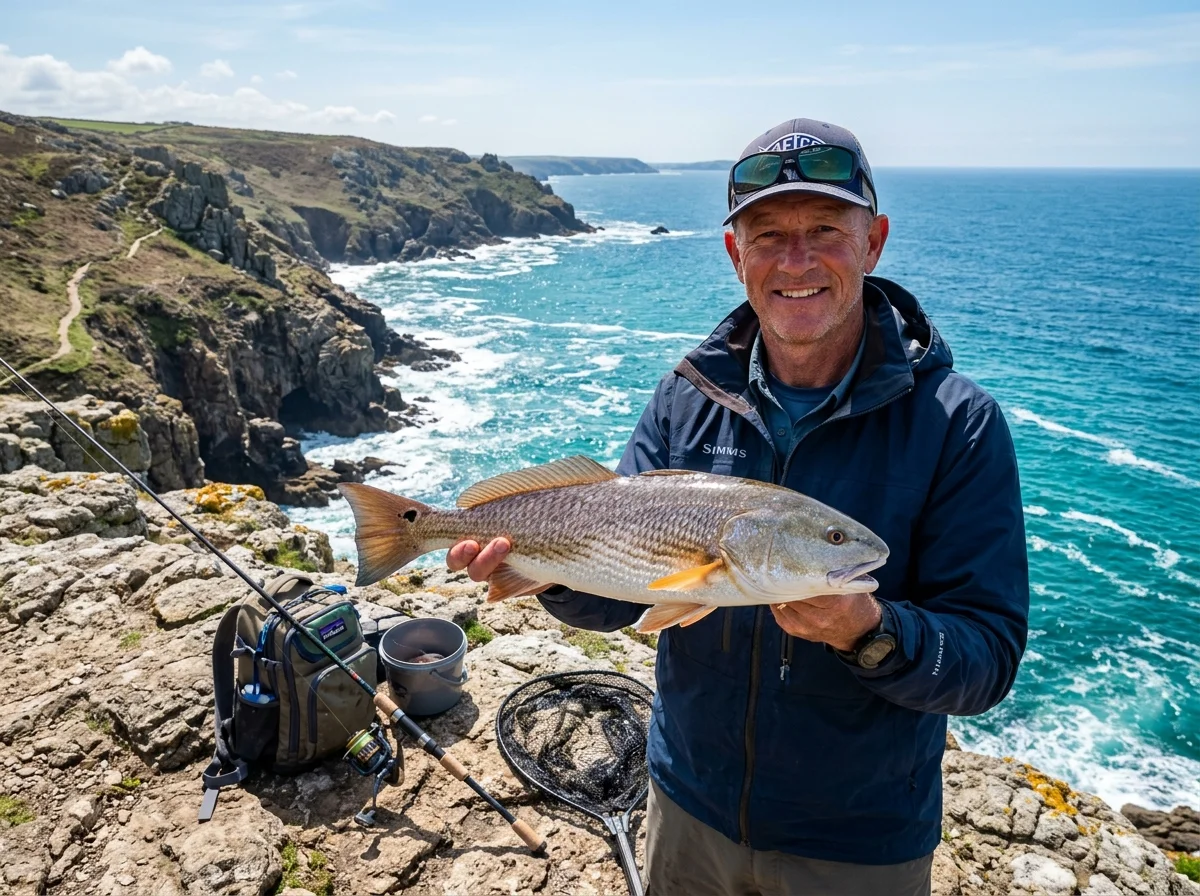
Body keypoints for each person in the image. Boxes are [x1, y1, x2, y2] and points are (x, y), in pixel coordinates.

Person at [448, 118, 1029, 896]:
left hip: (858, 840)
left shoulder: (958, 425)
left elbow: (986, 659)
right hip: (687, 805)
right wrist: (545, 574)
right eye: (766, 235)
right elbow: (623, 596)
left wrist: (873, 633)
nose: (796, 261)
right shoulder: (686, 398)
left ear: (875, 242)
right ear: (735, 253)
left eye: (826, 229)